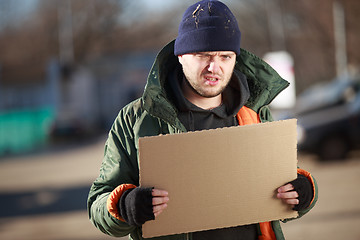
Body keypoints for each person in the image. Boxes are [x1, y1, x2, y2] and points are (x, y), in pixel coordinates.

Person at [87, 1, 318, 239]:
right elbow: (99, 202)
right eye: (202, 55)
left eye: (225, 57)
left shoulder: (255, 113)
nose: (214, 67)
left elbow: (282, 187)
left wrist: (305, 192)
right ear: (181, 56)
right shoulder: (136, 119)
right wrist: (125, 205)